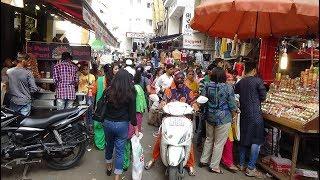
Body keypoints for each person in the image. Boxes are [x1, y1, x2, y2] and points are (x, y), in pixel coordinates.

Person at [145, 71, 197, 176]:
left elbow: (193, 102)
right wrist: (162, 105)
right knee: (161, 138)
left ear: (184, 79)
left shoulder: (188, 91)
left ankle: (190, 164)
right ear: (174, 79)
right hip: (170, 119)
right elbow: (164, 101)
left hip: (184, 120)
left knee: (187, 141)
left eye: (182, 78)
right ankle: (154, 158)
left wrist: (195, 106)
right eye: (178, 78)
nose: (180, 80)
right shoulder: (169, 90)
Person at [199, 67, 238, 174]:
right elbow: (232, 104)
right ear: (223, 76)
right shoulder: (228, 88)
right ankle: (214, 166)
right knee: (219, 143)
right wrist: (234, 115)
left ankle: (203, 160)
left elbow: (202, 100)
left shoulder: (207, 86)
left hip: (209, 116)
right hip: (223, 118)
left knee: (209, 139)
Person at [103, 69, 138, 180]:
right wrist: (135, 127)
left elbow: (102, 106)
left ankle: (109, 166)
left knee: (109, 145)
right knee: (120, 151)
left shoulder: (108, 91)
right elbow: (133, 113)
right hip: (122, 125)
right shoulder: (131, 92)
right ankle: (117, 176)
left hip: (108, 123)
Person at [235, 61, 266, 178]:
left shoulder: (240, 82)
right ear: (254, 70)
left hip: (244, 115)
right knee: (256, 141)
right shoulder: (258, 81)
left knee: (243, 138)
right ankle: (251, 167)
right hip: (255, 115)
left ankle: (241, 164)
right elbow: (263, 96)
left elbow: (236, 94)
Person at [123, 67, 148, 171]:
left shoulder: (131, 88)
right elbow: (143, 107)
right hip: (138, 117)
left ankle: (125, 163)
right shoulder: (139, 88)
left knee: (126, 140)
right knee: (134, 139)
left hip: (131, 117)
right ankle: (133, 159)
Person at [196, 63, 216, 150]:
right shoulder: (203, 81)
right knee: (201, 127)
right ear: (209, 71)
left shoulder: (217, 83)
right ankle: (199, 144)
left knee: (209, 131)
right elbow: (201, 94)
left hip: (212, 109)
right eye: (213, 70)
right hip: (204, 107)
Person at [78, 64, 96, 130]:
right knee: (82, 110)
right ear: (81, 70)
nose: (85, 70)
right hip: (81, 95)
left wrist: (89, 84)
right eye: (84, 69)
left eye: (87, 69)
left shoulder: (92, 76)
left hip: (90, 94)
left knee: (90, 109)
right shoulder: (79, 76)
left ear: (89, 69)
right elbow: (77, 83)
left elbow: (93, 86)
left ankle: (90, 124)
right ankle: (84, 125)